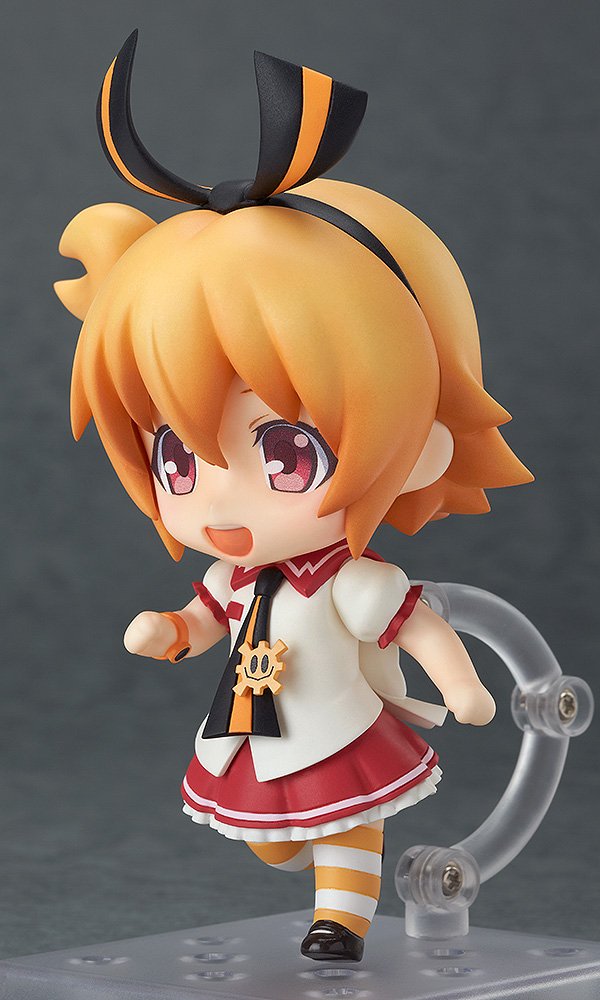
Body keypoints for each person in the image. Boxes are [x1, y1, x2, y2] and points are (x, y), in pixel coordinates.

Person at [55, 32, 531, 961]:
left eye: (283, 452)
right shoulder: (235, 576)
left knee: (348, 824)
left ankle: (339, 916)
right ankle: (300, 864)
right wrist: (169, 629)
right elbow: (206, 617)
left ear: (418, 442)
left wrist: (466, 687)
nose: (219, 500)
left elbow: (415, 623)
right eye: (178, 460)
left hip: (339, 724)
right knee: (272, 838)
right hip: (255, 730)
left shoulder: (348, 580)